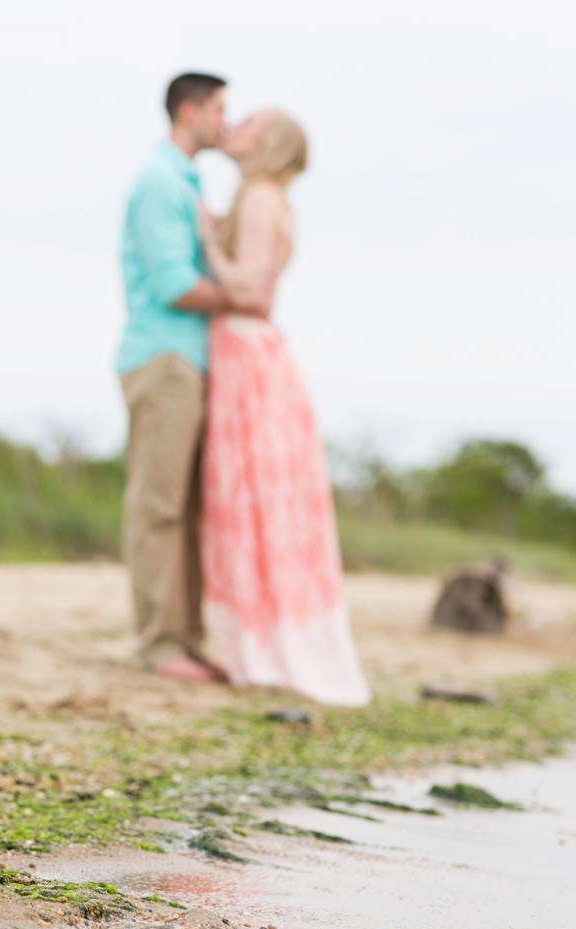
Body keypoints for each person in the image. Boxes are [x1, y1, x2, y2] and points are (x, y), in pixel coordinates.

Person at [200, 110, 370, 706]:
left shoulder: (259, 196)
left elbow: (247, 290)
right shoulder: (264, 199)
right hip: (256, 349)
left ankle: (259, 644)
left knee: (248, 498)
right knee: (263, 499)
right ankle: (267, 637)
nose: (235, 125)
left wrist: (203, 242)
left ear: (268, 142)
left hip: (244, 347)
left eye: (249, 121)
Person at [116, 73, 245, 682]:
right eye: (220, 109)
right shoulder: (160, 182)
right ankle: (159, 644)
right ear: (189, 111)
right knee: (158, 505)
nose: (225, 121)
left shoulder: (187, 184)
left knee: (189, 508)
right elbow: (174, 285)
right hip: (162, 358)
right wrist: (245, 298)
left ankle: (185, 639)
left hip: (187, 361)